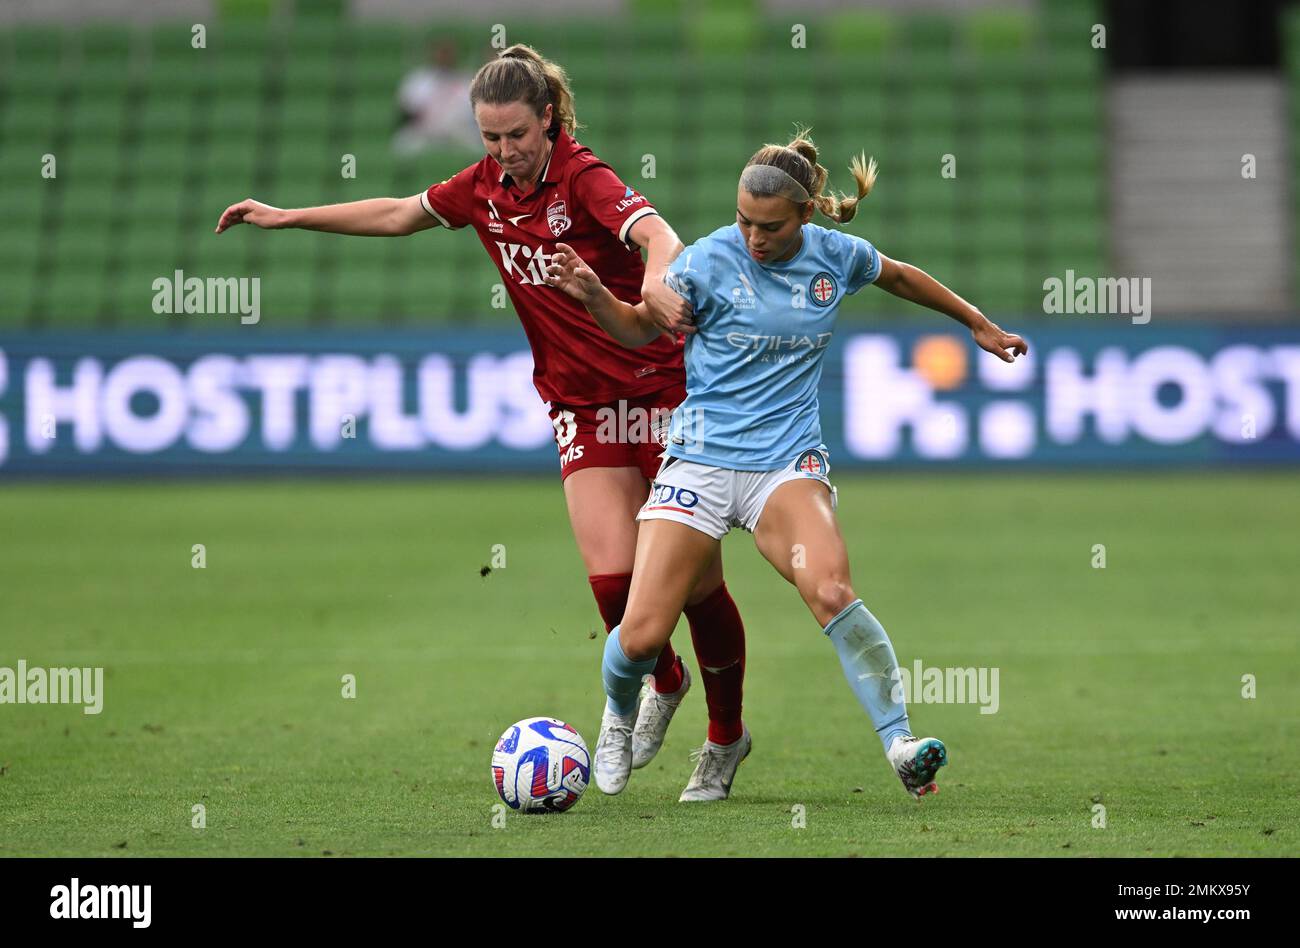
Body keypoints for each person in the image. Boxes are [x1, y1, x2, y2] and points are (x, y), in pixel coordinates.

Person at [215, 45, 751, 801]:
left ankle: (726, 741)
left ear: (549, 120)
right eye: (489, 138)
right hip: (582, 405)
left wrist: (659, 277)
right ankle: (662, 682)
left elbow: (658, 235)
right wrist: (289, 216)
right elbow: (401, 212)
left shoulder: (585, 178)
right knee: (612, 584)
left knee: (694, 589)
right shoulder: (483, 190)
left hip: (664, 396)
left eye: (516, 137)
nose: (503, 153)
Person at [544, 128, 1028, 800]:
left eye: (769, 226)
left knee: (831, 592)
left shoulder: (837, 255)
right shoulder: (705, 261)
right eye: (743, 219)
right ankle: (619, 715)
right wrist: (597, 296)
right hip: (701, 461)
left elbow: (900, 275)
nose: (753, 237)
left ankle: (901, 743)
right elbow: (638, 327)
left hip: (785, 463)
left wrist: (975, 320)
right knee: (642, 635)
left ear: (805, 214)